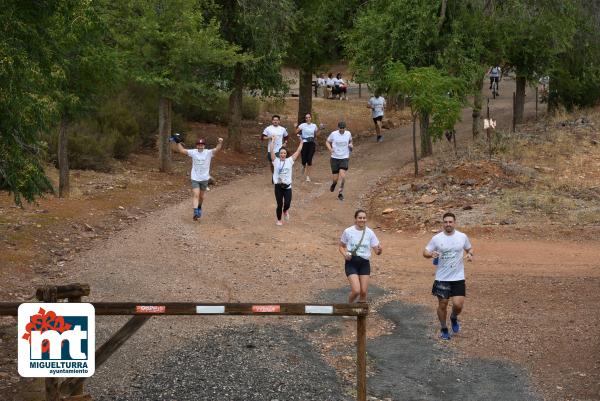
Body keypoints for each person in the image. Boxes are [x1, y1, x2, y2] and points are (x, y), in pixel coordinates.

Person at [423, 212, 474, 340]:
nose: (448, 224)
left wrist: (470, 255)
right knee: (443, 304)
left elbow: (470, 249)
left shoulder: (462, 236)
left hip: (458, 277)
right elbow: (425, 252)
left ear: (454, 223)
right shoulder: (437, 238)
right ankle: (444, 328)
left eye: (450, 222)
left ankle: (454, 317)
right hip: (442, 278)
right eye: (446, 222)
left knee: (458, 305)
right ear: (443, 223)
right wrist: (430, 254)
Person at [170, 134, 223, 221]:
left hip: (204, 178)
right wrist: (178, 142)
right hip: (195, 178)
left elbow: (217, 149)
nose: (200, 146)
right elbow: (182, 150)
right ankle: (195, 212)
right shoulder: (193, 152)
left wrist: (220, 143)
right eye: (198, 145)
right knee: (196, 194)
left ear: (204, 146)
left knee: (201, 197)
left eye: (202, 145)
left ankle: (199, 207)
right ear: (197, 145)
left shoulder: (208, 152)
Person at [339, 209, 382, 303]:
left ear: (366, 219)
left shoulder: (370, 233)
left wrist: (379, 250)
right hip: (351, 262)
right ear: (355, 219)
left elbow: (377, 251)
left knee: (363, 292)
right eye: (360, 218)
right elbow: (341, 246)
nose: (362, 220)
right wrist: (345, 254)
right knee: (356, 290)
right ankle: (348, 308)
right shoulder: (348, 231)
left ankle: (361, 315)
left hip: (364, 263)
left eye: (364, 218)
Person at [271, 138, 303, 226]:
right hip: (278, 187)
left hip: (287, 186)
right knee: (279, 204)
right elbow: (271, 150)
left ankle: (285, 211)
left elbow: (298, 151)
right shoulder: (275, 161)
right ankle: (279, 220)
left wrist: (301, 142)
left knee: (287, 203)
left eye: (284, 153)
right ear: (279, 154)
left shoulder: (290, 161)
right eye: (281, 153)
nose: (282, 154)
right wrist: (273, 141)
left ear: (286, 154)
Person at [326, 121, 353, 201]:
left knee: (343, 176)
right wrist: (330, 149)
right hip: (334, 158)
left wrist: (351, 145)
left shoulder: (348, 133)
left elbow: (351, 141)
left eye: (343, 128)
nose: (342, 129)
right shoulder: (333, 134)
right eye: (340, 128)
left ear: (345, 128)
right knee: (335, 179)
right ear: (338, 128)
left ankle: (340, 193)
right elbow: (327, 142)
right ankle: (334, 184)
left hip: (344, 157)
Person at [295, 112, 319, 182]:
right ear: (305, 119)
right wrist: (295, 127)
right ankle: (303, 165)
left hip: (311, 143)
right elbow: (296, 132)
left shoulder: (314, 125)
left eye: (309, 117)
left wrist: (321, 129)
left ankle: (308, 176)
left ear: (311, 118)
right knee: (303, 160)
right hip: (304, 143)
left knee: (309, 159)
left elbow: (317, 134)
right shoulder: (302, 125)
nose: (308, 119)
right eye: (306, 118)